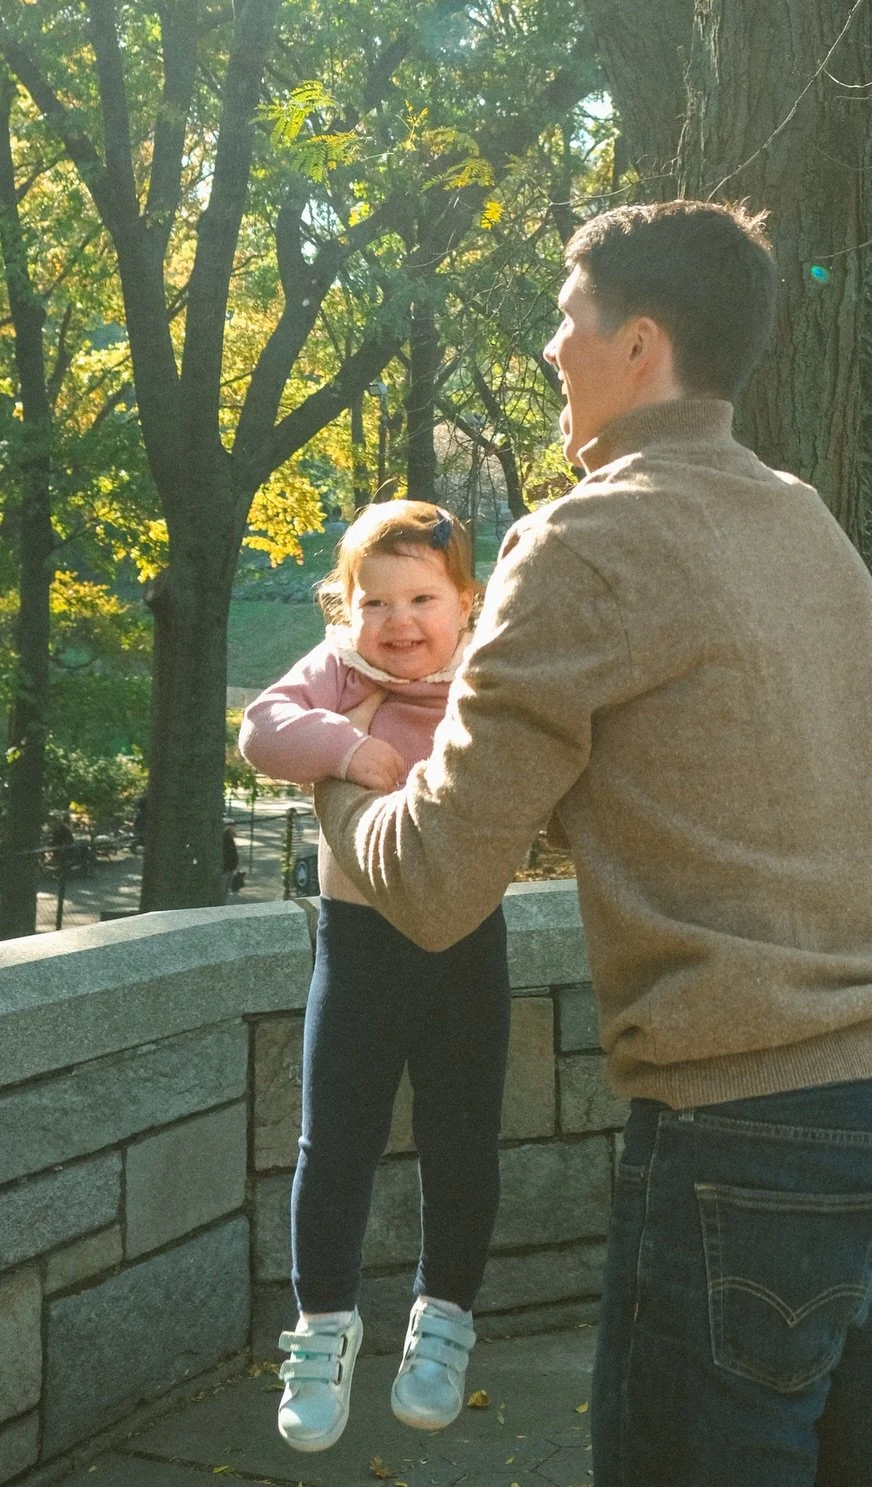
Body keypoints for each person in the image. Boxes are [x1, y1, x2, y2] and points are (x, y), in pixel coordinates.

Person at [315, 200, 872, 1487]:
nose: (550, 350)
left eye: (568, 322)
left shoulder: (586, 538)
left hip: (748, 1149)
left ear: (641, 344)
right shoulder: (811, 524)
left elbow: (442, 883)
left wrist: (338, 769)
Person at [238, 501, 508, 1454]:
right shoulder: (340, 672)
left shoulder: (486, 675)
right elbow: (264, 729)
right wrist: (348, 747)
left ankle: (443, 1322)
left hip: (469, 941)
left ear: (466, 602)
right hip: (359, 944)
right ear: (344, 609)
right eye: (375, 600)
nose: (400, 621)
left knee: (462, 1138)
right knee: (335, 1140)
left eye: (423, 596)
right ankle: (323, 1328)